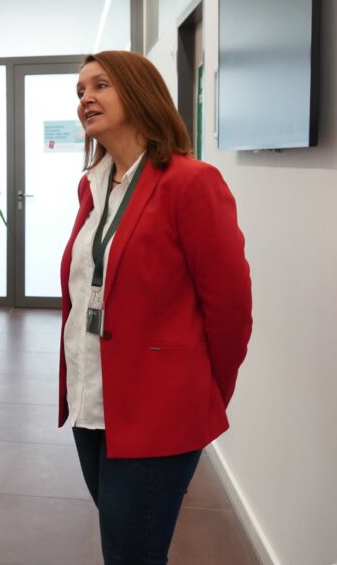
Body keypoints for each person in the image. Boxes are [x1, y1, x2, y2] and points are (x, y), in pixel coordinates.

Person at [60, 50, 252, 564]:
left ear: (140, 92)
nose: (86, 99)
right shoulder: (94, 186)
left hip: (157, 412)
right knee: (127, 548)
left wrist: (203, 394)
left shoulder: (190, 182)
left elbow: (230, 309)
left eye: (100, 85)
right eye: (80, 91)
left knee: (132, 555)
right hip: (91, 401)